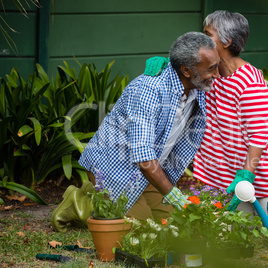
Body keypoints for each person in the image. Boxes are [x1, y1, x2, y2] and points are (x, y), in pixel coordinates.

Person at [51, 32, 220, 232]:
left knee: (175, 225)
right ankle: (81, 201)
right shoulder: (148, 90)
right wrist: (174, 196)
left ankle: (106, 204)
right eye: (212, 69)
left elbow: (227, 70)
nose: (217, 74)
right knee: (141, 229)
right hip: (113, 170)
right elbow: (143, 156)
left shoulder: (196, 86)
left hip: (145, 174)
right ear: (186, 70)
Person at [193, 10, 268, 214]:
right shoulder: (211, 73)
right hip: (235, 166)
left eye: (208, 35)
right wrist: (169, 65)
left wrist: (246, 176)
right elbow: (185, 70)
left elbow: (259, 134)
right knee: (228, 230)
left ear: (226, 41)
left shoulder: (249, 83)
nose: (201, 39)